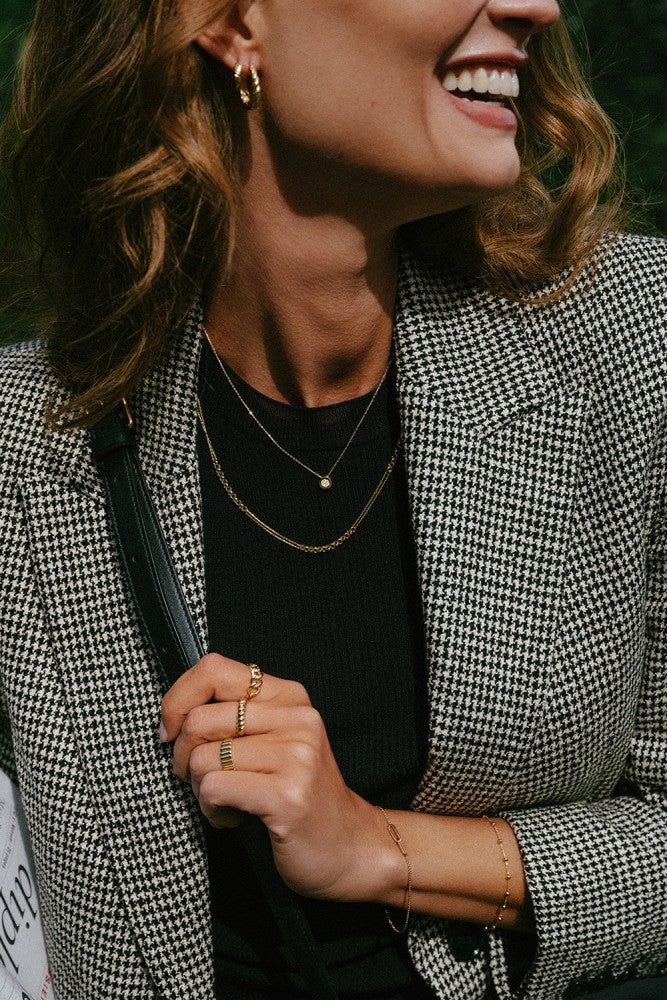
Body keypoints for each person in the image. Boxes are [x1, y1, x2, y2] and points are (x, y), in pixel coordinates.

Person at [0, 0, 665, 998]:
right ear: (232, 25)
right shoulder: (24, 445)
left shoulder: (633, 344)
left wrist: (377, 848)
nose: (536, 5)